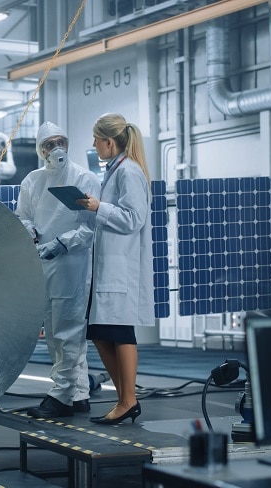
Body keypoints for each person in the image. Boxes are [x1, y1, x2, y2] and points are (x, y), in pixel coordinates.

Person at [16, 121, 101, 418]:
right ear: (41, 150)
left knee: (69, 330)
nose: (56, 149)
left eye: (60, 141)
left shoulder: (85, 178)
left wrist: (62, 244)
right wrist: (32, 233)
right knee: (54, 330)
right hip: (43, 262)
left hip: (71, 264)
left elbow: (88, 228)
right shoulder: (32, 181)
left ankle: (61, 396)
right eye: (50, 144)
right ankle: (79, 393)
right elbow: (23, 216)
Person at [76, 113, 154, 425]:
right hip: (108, 266)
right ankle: (126, 397)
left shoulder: (129, 172)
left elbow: (134, 218)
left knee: (120, 332)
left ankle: (127, 400)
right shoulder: (115, 171)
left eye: (96, 139)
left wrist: (99, 207)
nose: (94, 145)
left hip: (121, 268)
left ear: (110, 142)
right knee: (99, 331)